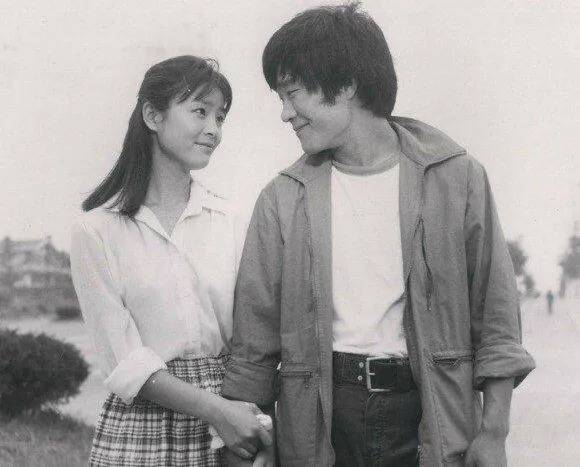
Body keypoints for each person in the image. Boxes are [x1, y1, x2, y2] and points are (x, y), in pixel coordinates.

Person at [221, 4, 535, 467]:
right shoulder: (281, 198)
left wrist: (494, 432)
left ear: (346, 84)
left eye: (292, 94)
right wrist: (247, 440)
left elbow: (496, 317)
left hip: (432, 415)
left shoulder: (458, 178)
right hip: (322, 422)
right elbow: (254, 339)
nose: (285, 114)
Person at [71, 56, 271, 466]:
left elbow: (256, 339)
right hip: (141, 428)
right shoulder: (97, 230)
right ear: (153, 115)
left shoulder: (231, 219)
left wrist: (251, 423)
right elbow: (124, 360)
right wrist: (216, 410)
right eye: (200, 111)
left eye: (221, 117)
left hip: (232, 421)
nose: (214, 129)